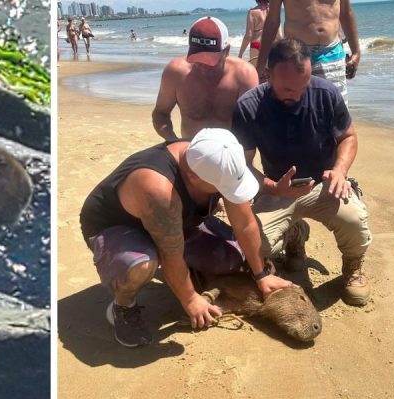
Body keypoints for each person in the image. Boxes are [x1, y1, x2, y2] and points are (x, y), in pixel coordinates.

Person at [80, 129, 294, 347]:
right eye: (221, 188)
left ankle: (186, 274)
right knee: (142, 265)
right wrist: (190, 298)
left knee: (232, 257)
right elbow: (170, 253)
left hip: (176, 221)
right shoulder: (158, 189)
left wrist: (261, 274)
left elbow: (245, 224)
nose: (225, 192)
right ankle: (122, 306)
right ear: (193, 177)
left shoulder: (216, 157)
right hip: (118, 227)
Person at [231, 38, 372, 306]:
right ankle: (295, 234)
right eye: (287, 89)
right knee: (253, 249)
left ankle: (353, 266)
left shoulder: (326, 93)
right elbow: (243, 165)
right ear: (268, 75)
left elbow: (348, 137)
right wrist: (272, 187)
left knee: (355, 222)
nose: (296, 96)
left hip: (324, 184)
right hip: (277, 188)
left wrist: (340, 171)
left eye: (303, 86)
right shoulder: (248, 106)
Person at [152, 16, 258, 144]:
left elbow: (254, 125)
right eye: (198, 61)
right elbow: (160, 114)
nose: (203, 68)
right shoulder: (176, 73)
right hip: (189, 148)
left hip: (231, 150)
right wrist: (174, 141)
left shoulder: (243, 75)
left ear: (226, 51)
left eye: (210, 62)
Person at [254, 0, 361, 103]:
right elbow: (272, 20)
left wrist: (356, 52)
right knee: (296, 108)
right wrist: (261, 64)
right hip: (296, 56)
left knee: (335, 108)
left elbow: (346, 12)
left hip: (332, 53)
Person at [238, 0, 282, 67]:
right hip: (271, 46)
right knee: (269, 72)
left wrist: (240, 54)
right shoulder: (274, 12)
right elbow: (279, 36)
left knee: (256, 71)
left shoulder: (252, 12)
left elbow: (248, 35)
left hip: (256, 45)